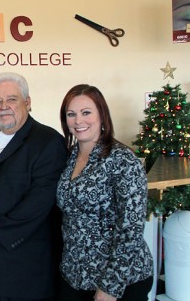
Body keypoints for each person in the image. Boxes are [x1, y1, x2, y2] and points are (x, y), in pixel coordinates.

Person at [0, 72, 68, 301]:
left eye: (11, 99)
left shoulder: (48, 141)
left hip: (23, 269)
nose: (4, 107)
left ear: (27, 102)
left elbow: (40, 200)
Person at [56, 84, 153, 301]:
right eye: (71, 114)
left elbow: (131, 229)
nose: (78, 121)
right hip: (74, 275)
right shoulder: (69, 158)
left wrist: (110, 287)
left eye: (86, 112)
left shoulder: (123, 160)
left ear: (102, 115)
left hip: (119, 281)